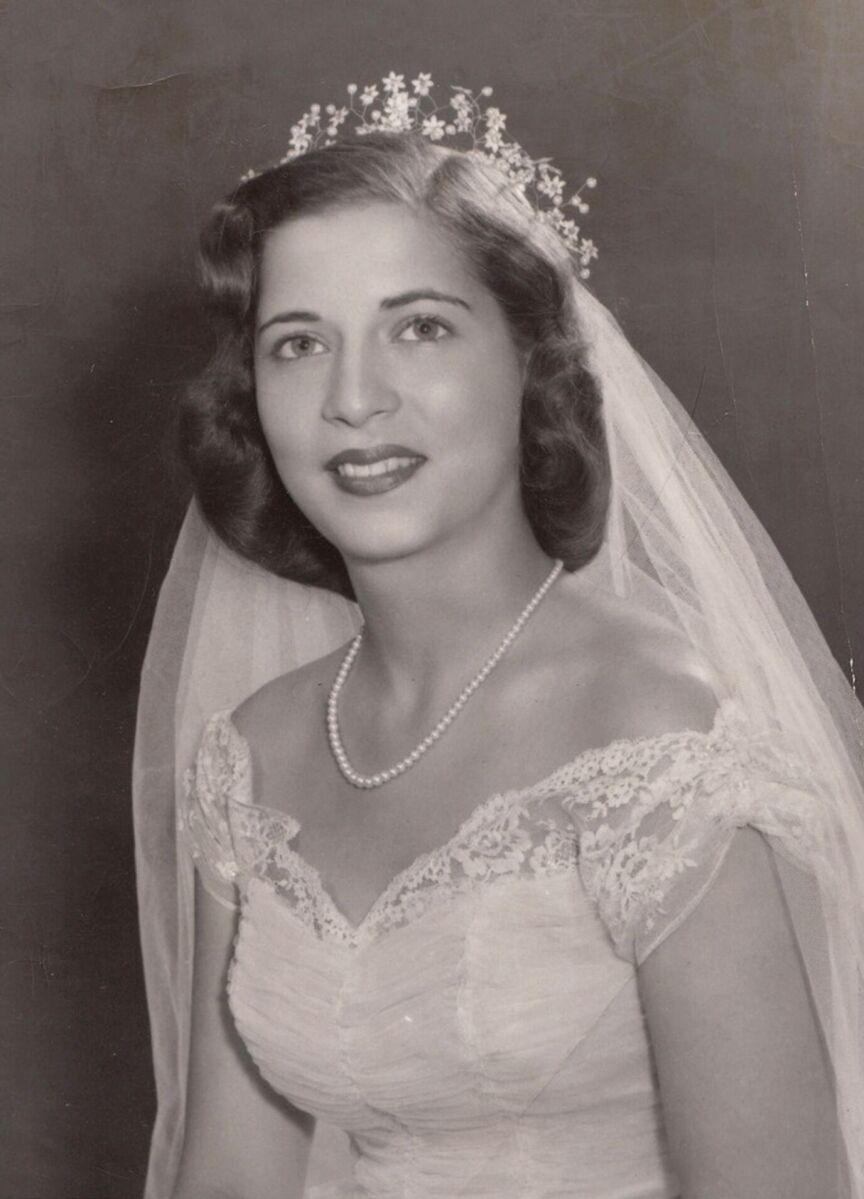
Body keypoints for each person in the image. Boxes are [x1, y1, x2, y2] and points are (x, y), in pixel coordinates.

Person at [133, 76, 864, 1199]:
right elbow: (231, 1173)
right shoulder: (256, 753)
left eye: (419, 327)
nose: (354, 399)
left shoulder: (659, 732)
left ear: (531, 359)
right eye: (297, 343)